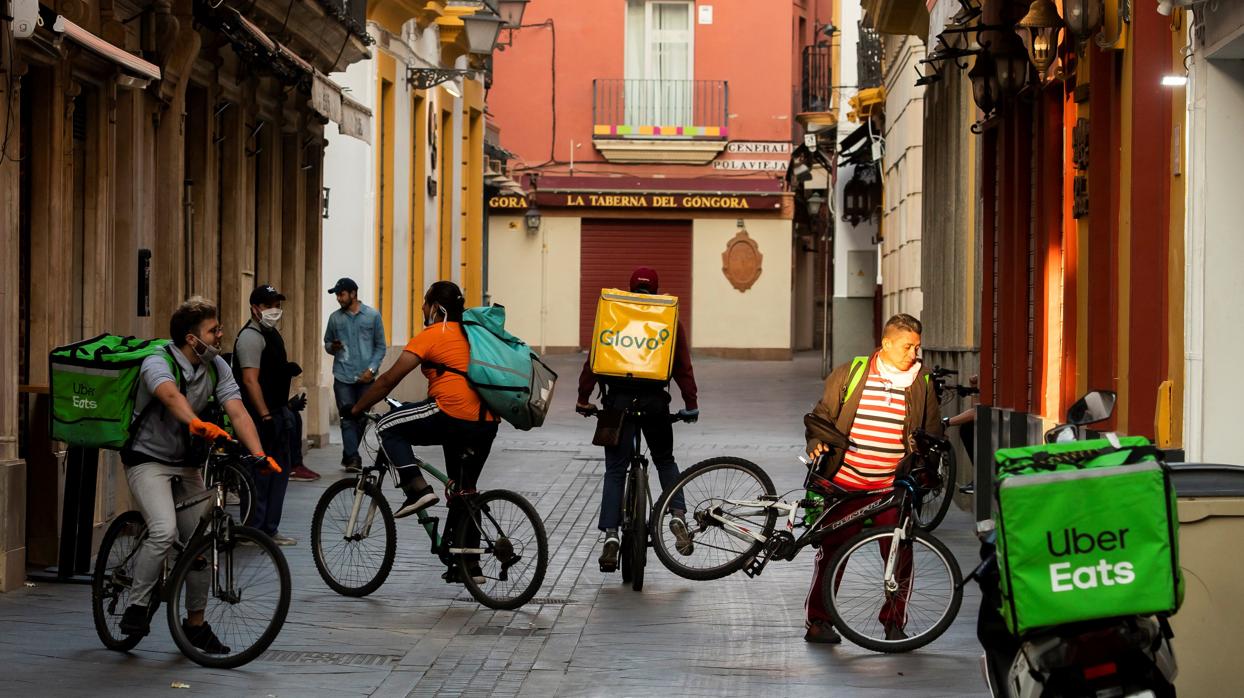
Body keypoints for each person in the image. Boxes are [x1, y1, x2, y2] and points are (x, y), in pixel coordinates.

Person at [117, 296, 279, 650]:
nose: (220, 334)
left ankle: (195, 624)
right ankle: (136, 605)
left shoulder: (216, 365)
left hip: (186, 464)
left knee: (200, 544)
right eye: (213, 330)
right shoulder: (157, 361)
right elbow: (169, 396)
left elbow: (238, 411)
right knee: (164, 531)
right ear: (192, 339)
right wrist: (197, 423)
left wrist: (259, 455)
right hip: (147, 461)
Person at [801, 313, 943, 644]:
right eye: (907, 347)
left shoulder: (921, 382)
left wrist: (924, 471)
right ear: (886, 343)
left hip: (891, 489)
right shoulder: (851, 373)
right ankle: (819, 622)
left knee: (900, 555)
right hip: (845, 485)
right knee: (832, 552)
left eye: (917, 347)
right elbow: (822, 416)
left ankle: (894, 623)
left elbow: (933, 431)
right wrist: (815, 442)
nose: (914, 354)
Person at [344, 281, 497, 583]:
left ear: (436, 308)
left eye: (425, 304)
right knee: (464, 490)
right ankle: (467, 565)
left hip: (451, 412)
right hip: (486, 421)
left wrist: (357, 408)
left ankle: (418, 489)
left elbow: (388, 380)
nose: (422, 310)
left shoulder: (434, 334)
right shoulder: (474, 334)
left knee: (387, 425)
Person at [575, 267, 699, 573]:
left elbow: (594, 361)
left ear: (630, 288)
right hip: (655, 404)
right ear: (655, 290)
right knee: (665, 460)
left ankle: (611, 535)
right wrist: (691, 404)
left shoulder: (614, 316)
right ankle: (677, 515)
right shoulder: (668, 319)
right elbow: (683, 367)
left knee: (615, 470)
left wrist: (583, 398)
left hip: (617, 406)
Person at [231, 284, 303, 545]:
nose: (275, 310)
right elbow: (250, 381)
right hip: (260, 418)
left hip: (278, 413)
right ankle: (252, 530)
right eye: (269, 305)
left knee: (278, 473)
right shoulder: (250, 337)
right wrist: (265, 416)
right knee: (258, 474)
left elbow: (269, 372)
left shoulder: (271, 333)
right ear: (255, 308)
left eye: (277, 305)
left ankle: (269, 529)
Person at [324, 277, 386, 472]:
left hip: (366, 378)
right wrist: (332, 347)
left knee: (361, 418)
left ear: (353, 293)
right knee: (347, 417)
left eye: (341, 294)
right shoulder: (335, 318)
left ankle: (348, 454)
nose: (338, 298)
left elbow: (380, 346)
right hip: (343, 375)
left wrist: (371, 370)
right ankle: (353, 458)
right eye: (337, 295)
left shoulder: (373, 316)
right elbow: (327, 343)